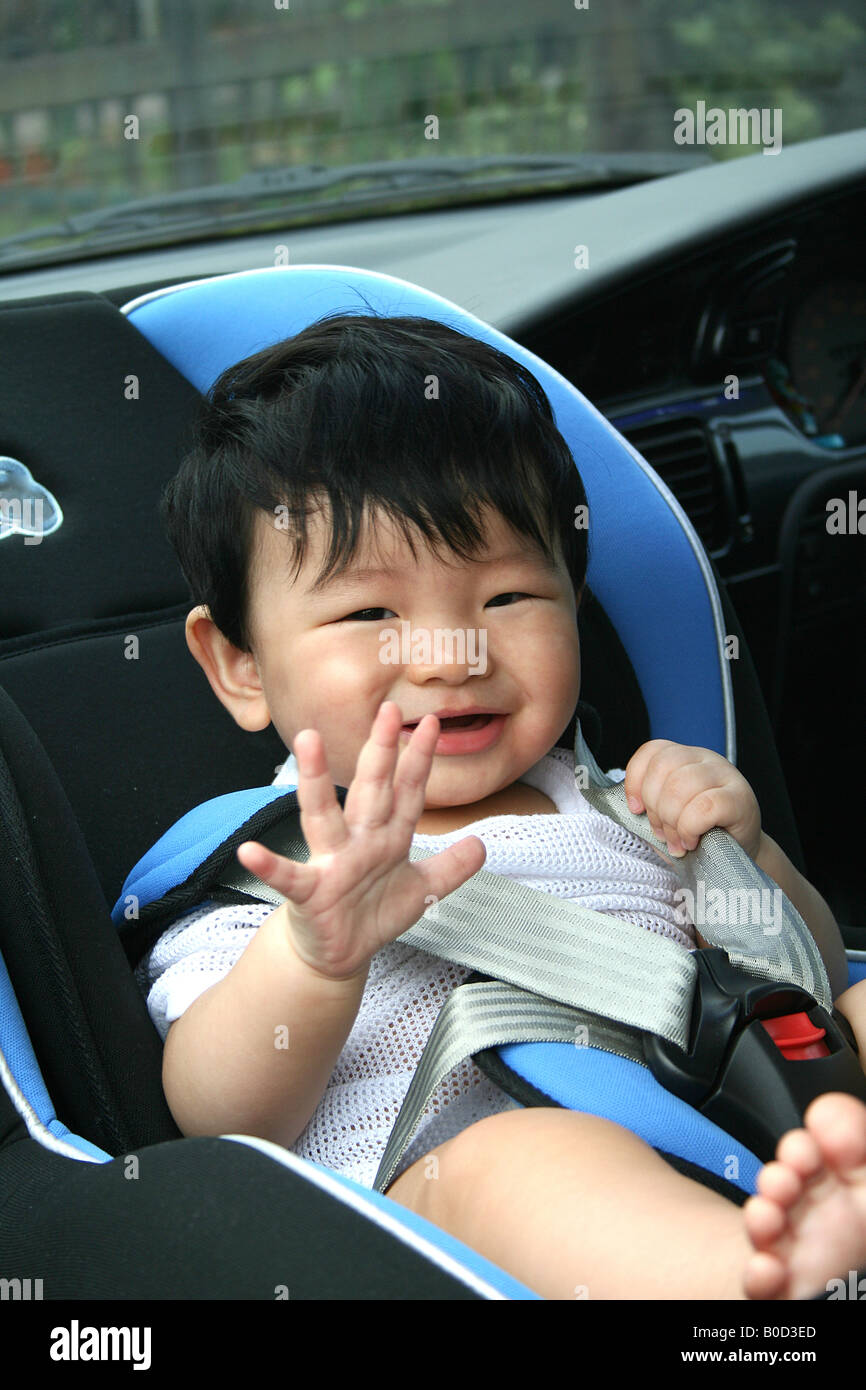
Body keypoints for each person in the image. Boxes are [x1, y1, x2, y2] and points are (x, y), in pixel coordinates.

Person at [138, 311, 866, 1301]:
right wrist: (316, 958)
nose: (453, 654)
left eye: (506, 599)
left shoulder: (624, 806)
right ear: (238, 664)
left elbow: (806, 980)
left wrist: (744, 857)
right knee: (516, 1161)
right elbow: (219, 1111)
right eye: (369, 613)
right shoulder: (273, 876)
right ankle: (757, 1283)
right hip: (451, 1200)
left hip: (734, 1120)